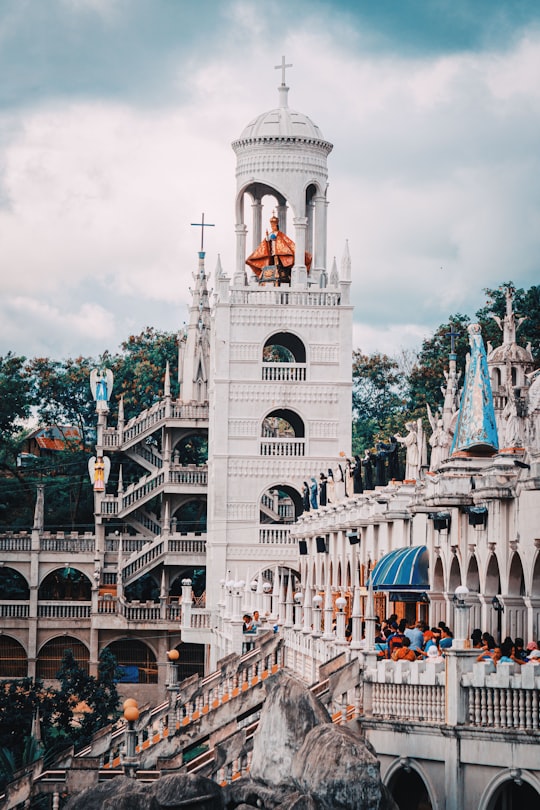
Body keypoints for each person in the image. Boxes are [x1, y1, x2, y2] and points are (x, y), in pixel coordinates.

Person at [245, 214, 312, 283]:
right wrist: (267, 238)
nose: (272, 227)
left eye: (273, 226)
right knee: (272, 260)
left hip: (278, 251)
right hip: (272, 250)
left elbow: (284, 242)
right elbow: (266, 241)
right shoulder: (271, 233)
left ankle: (280, 271)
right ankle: (272, 272)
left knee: (278, 260)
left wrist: (276, 240)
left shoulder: (280, 234)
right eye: (271, 226)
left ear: (276, 226)